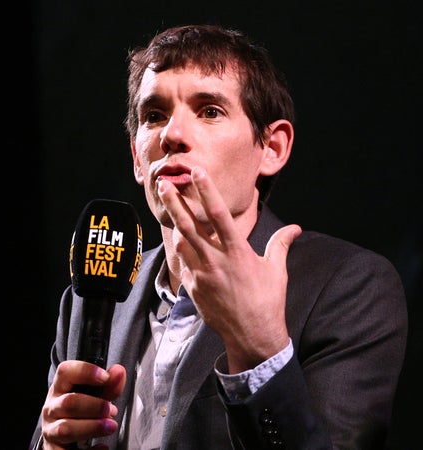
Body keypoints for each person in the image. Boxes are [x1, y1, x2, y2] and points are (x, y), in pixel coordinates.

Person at [29, 24, 408, 449]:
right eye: (154, 115)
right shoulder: (86, 302)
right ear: (138, 157)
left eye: (209, 110)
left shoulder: (348, 287)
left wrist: (260, 354)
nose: (172, 135)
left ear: (272, 148)